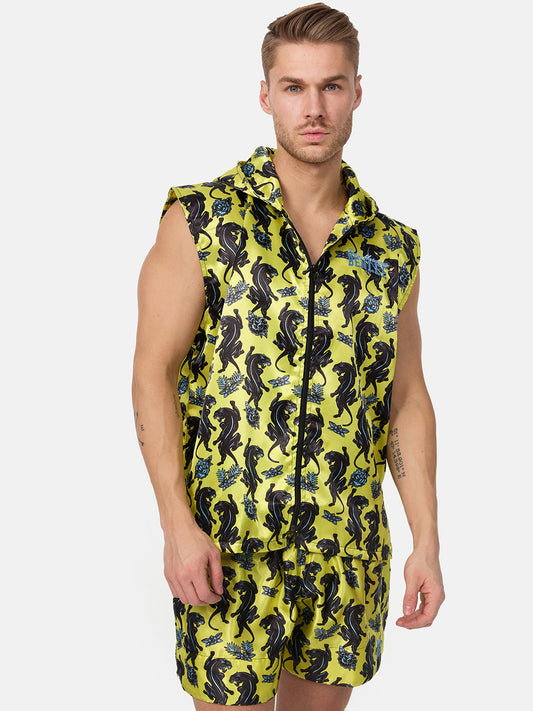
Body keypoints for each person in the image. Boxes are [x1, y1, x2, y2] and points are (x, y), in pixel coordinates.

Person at [132, 3, 444, 709]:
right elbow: (153, 372)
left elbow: (405, 396)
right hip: (229, 545)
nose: (314, 108)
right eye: (294, 87)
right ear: (265, 94)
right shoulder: (203, 219)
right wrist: (176, 523)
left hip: (345, 551)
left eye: (331, 86)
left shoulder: (392, 248)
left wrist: (425, 538)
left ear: (357, 92)